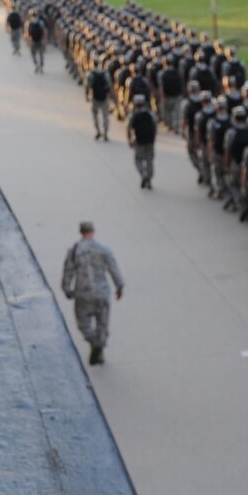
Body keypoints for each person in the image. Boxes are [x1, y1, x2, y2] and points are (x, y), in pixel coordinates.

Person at [62, 222, 126, 364]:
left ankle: (93, 341)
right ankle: (100, 347)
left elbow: (68, 272)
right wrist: (119, 286)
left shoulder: (74, 250)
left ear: (81, 232)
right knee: (102, 323)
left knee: (83, 323)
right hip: (102, 292)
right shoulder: (104, 249)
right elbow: (113, 268)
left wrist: (67, 289)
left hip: (83, 293)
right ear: (93, 231)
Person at [127, 92, 159, 190]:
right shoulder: (150, 113)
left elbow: (129, 129)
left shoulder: (133, 115)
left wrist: (130, 140)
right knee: (149, 160)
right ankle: (149, 178)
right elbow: (155, 127)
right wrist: (153, 137)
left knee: (138, 160)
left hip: (139, 141)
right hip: (150, 140)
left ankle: (143, 174)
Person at [86, 62, 115, 141]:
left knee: (95, 115)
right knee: (105, 116)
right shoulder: (106, 74)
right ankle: (105, 133)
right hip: (104, 99)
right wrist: (112, 96)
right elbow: (110, 86)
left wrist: (87, 96)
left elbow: (88, 86)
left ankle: (98, 131)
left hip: (95, 98)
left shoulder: (91, 74)